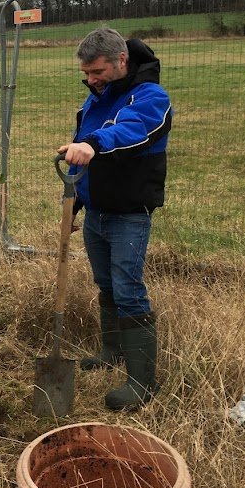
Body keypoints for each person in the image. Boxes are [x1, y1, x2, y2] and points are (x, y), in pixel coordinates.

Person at [58, 27, 173, 411]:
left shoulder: (152, 98)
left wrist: (93, 144)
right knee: (105, 283)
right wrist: (73, 203)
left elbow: (130, 131)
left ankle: (142, 383)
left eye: (97, 71)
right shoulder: (93, 100)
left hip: (129, 214)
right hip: (97, 212)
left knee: (127, 287)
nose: (91, 80)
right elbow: (80, 154)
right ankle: (112, 351)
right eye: (86, 74)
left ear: (121, 60)